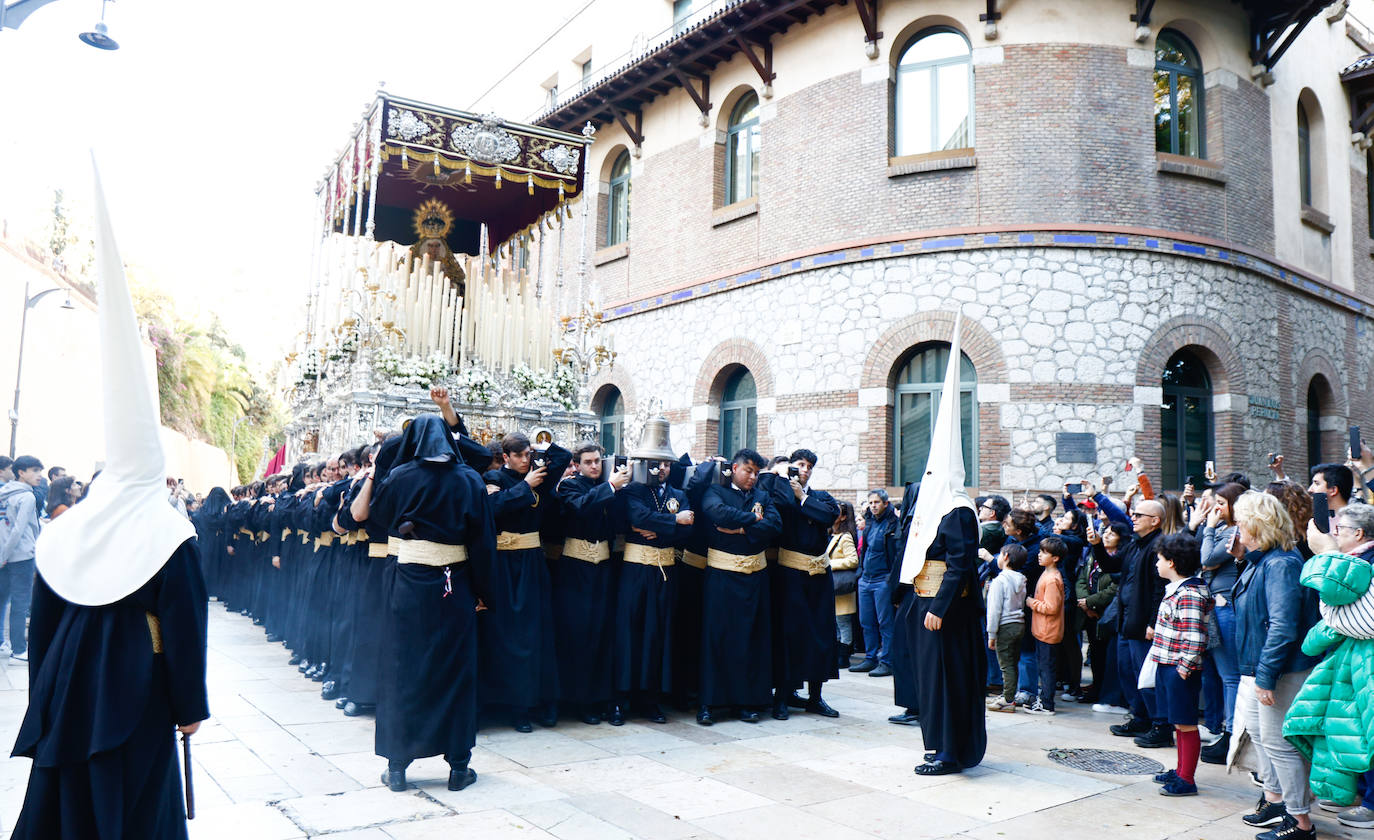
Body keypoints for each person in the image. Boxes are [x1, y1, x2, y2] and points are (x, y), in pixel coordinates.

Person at [10, 168, 208, 838]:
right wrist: (190, 705)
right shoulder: (167, 527)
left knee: (63, 792)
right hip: (136, 682)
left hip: (68, 678)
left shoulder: (70, 527)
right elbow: (183, 624)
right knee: (135, 798)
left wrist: (47, 691)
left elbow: (41, 623)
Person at [361, 414, 496, 793]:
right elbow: (483, 542)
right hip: (454, 587)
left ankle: (398, 766)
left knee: (402, 669)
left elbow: (379, 520)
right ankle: (458, 767)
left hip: (407, 585)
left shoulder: (400, 477)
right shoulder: (469, 479)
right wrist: (486, 592)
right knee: (455, 670)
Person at [1231, 491, 1321, 840]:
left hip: (1282, 670)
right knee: (1260, 735)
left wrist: (1266, 677)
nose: (1237, 528)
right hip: (1262, 666)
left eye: (1241, 522)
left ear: (1258, 524)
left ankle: (1300, 823)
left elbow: (1283, 626)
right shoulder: (1265, 560)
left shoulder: (1281, 563)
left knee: (1278, 742)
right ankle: (1277, 801)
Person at [481, 432, 571, 731]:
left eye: (527, 455)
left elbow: (563, 457)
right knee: (504, 632)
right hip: (503, 565)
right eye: (518, 455)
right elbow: (491, 510)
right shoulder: (495, 477)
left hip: (531, 563)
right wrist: (524, 487)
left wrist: (540, 444)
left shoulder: (539, 475)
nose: (525, 460)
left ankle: (533, 703)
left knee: (534, 633)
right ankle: (505, 705)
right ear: (505, 457)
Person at [697, 448, 781, 725]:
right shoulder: (716, 491)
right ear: (734, 468)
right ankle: (709, 703)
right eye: (748, 471)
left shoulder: (762, 496)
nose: (753, 477)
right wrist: (754, 520)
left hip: (755, 578)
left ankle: (747, 702)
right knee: (716, 639)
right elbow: (717, 514)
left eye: (757, 473)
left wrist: (743, 528)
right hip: (722, 576)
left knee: (750, 640)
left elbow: (775, 524)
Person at [761, 449, 841, 719]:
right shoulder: (781, 494)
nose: (804, 470)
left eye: (808, 466)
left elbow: (829, 516)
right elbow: (776, 509)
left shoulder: (820, 497)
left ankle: (816, 697)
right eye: (799, 465)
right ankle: (782, 696)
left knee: (821, 635)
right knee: (790, 635)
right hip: (791, 574)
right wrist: (783, 482)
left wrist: (803, 497)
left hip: (819, 574)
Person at [615, 443, 692, 724]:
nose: (662, 469)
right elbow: (637, 517)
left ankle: (651, 700)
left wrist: (661, 525)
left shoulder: (679, 494)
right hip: (635, 572)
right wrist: (674, 521)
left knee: (658, 634)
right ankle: (621, 699)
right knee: (630, 632)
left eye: (667, 464)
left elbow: (689, 530)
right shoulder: (633, 491)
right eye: (656, 464)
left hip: (665, 574)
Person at [553, 442, 627, 725]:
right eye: (588, 462)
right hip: (575, 570)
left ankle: (606, 699)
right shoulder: (571, 487)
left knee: (604, 634)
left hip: (605, 568)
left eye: (597, 460)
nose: (594, 466)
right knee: (580, 635)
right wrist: (610, 487)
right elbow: (582, 508)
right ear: (578, 465)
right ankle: (581, 701)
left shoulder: (614, 487)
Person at [1094, 498, 1169, 748]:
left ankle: (1160, 725)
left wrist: (1153, 622)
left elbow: (1161, 588)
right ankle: (1140, 717)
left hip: (1143, 622)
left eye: (1138, 514)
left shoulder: (1159, 545)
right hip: (1125, 620)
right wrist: (1096, 545)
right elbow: (1110, 565)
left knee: (1147, 676)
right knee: (1128, 671)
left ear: (1155, 520)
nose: (1133, 517)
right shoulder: (1135, 544)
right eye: (1133, 513)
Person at [1145, 533, 1210, 797]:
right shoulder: (1177, 590)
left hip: (1178, 668)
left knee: (1186, 723)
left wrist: (1183, 668)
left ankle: (1187, 778)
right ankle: (1181, 769)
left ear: (1171, 562)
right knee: (1178, 722)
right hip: (1167, 664)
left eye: (1159, 559)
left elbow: (1195, 637)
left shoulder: (1190, 593)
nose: (1156, 564)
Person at [1197, 482, 1245, 764]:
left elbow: (1207, 560)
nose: (1215, 507)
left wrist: (1210, 527)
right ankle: (1224, 730)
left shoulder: (1232, 530)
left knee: (1230, 676)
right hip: (1216, 605)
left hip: (1227, 607)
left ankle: (1231, 733)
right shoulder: (1225, 529)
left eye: (1220, 502)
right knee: (1219, 674)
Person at [0, 455, 44, 662]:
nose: (39, 476)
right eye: (34, 471)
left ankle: (3, 643)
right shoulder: (27, 497)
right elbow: (19, 531)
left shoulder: (3, 493)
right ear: (21, 472)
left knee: (2, 601)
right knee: (20, 603)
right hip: (21, 556)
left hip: (5, 556)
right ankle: (18, 650)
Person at [851, 488, 898, 677]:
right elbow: (865, 550)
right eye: (871, 503)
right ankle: (870, 658)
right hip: (866, 579)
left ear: (885, 503)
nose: (873, 506)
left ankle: (886, 661)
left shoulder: (893, 524)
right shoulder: (869, 523)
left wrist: (891, 580)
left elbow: (896, 554)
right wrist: (861, 574)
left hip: (882, 579)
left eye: (877, 502)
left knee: (885, 623)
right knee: (866, 622)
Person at [1024, 536, 1067, 716]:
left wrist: (1031, 602)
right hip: (1043, 629)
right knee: (1044, 666)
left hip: (1048, 631)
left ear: (1055, 558)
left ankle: (1047, 704)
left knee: (1046, 668)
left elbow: (1051, 607)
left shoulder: (1051, 579)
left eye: (1044, 553)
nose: (1039, 555)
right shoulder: (1047, 573)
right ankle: (1044, 699)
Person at [985, 543, 1027, 713]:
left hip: (1004, 625)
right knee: (1013, 662)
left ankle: (1008, 699)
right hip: (1019, 623)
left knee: (1006, 665)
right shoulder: (1021, 579)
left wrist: (991, 633)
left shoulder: (1000, 581)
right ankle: (1009, 694)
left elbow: (994, 610)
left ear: (1006, 557)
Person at [827, 502, 860, 668]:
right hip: (832, 587)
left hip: (842, 586)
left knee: (843, 623)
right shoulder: (829, 534)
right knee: (836, 623)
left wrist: (830, 563)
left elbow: (853, 560)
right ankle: (838, 654)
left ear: (844, 517)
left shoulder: (845, 536)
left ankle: (843, 657)